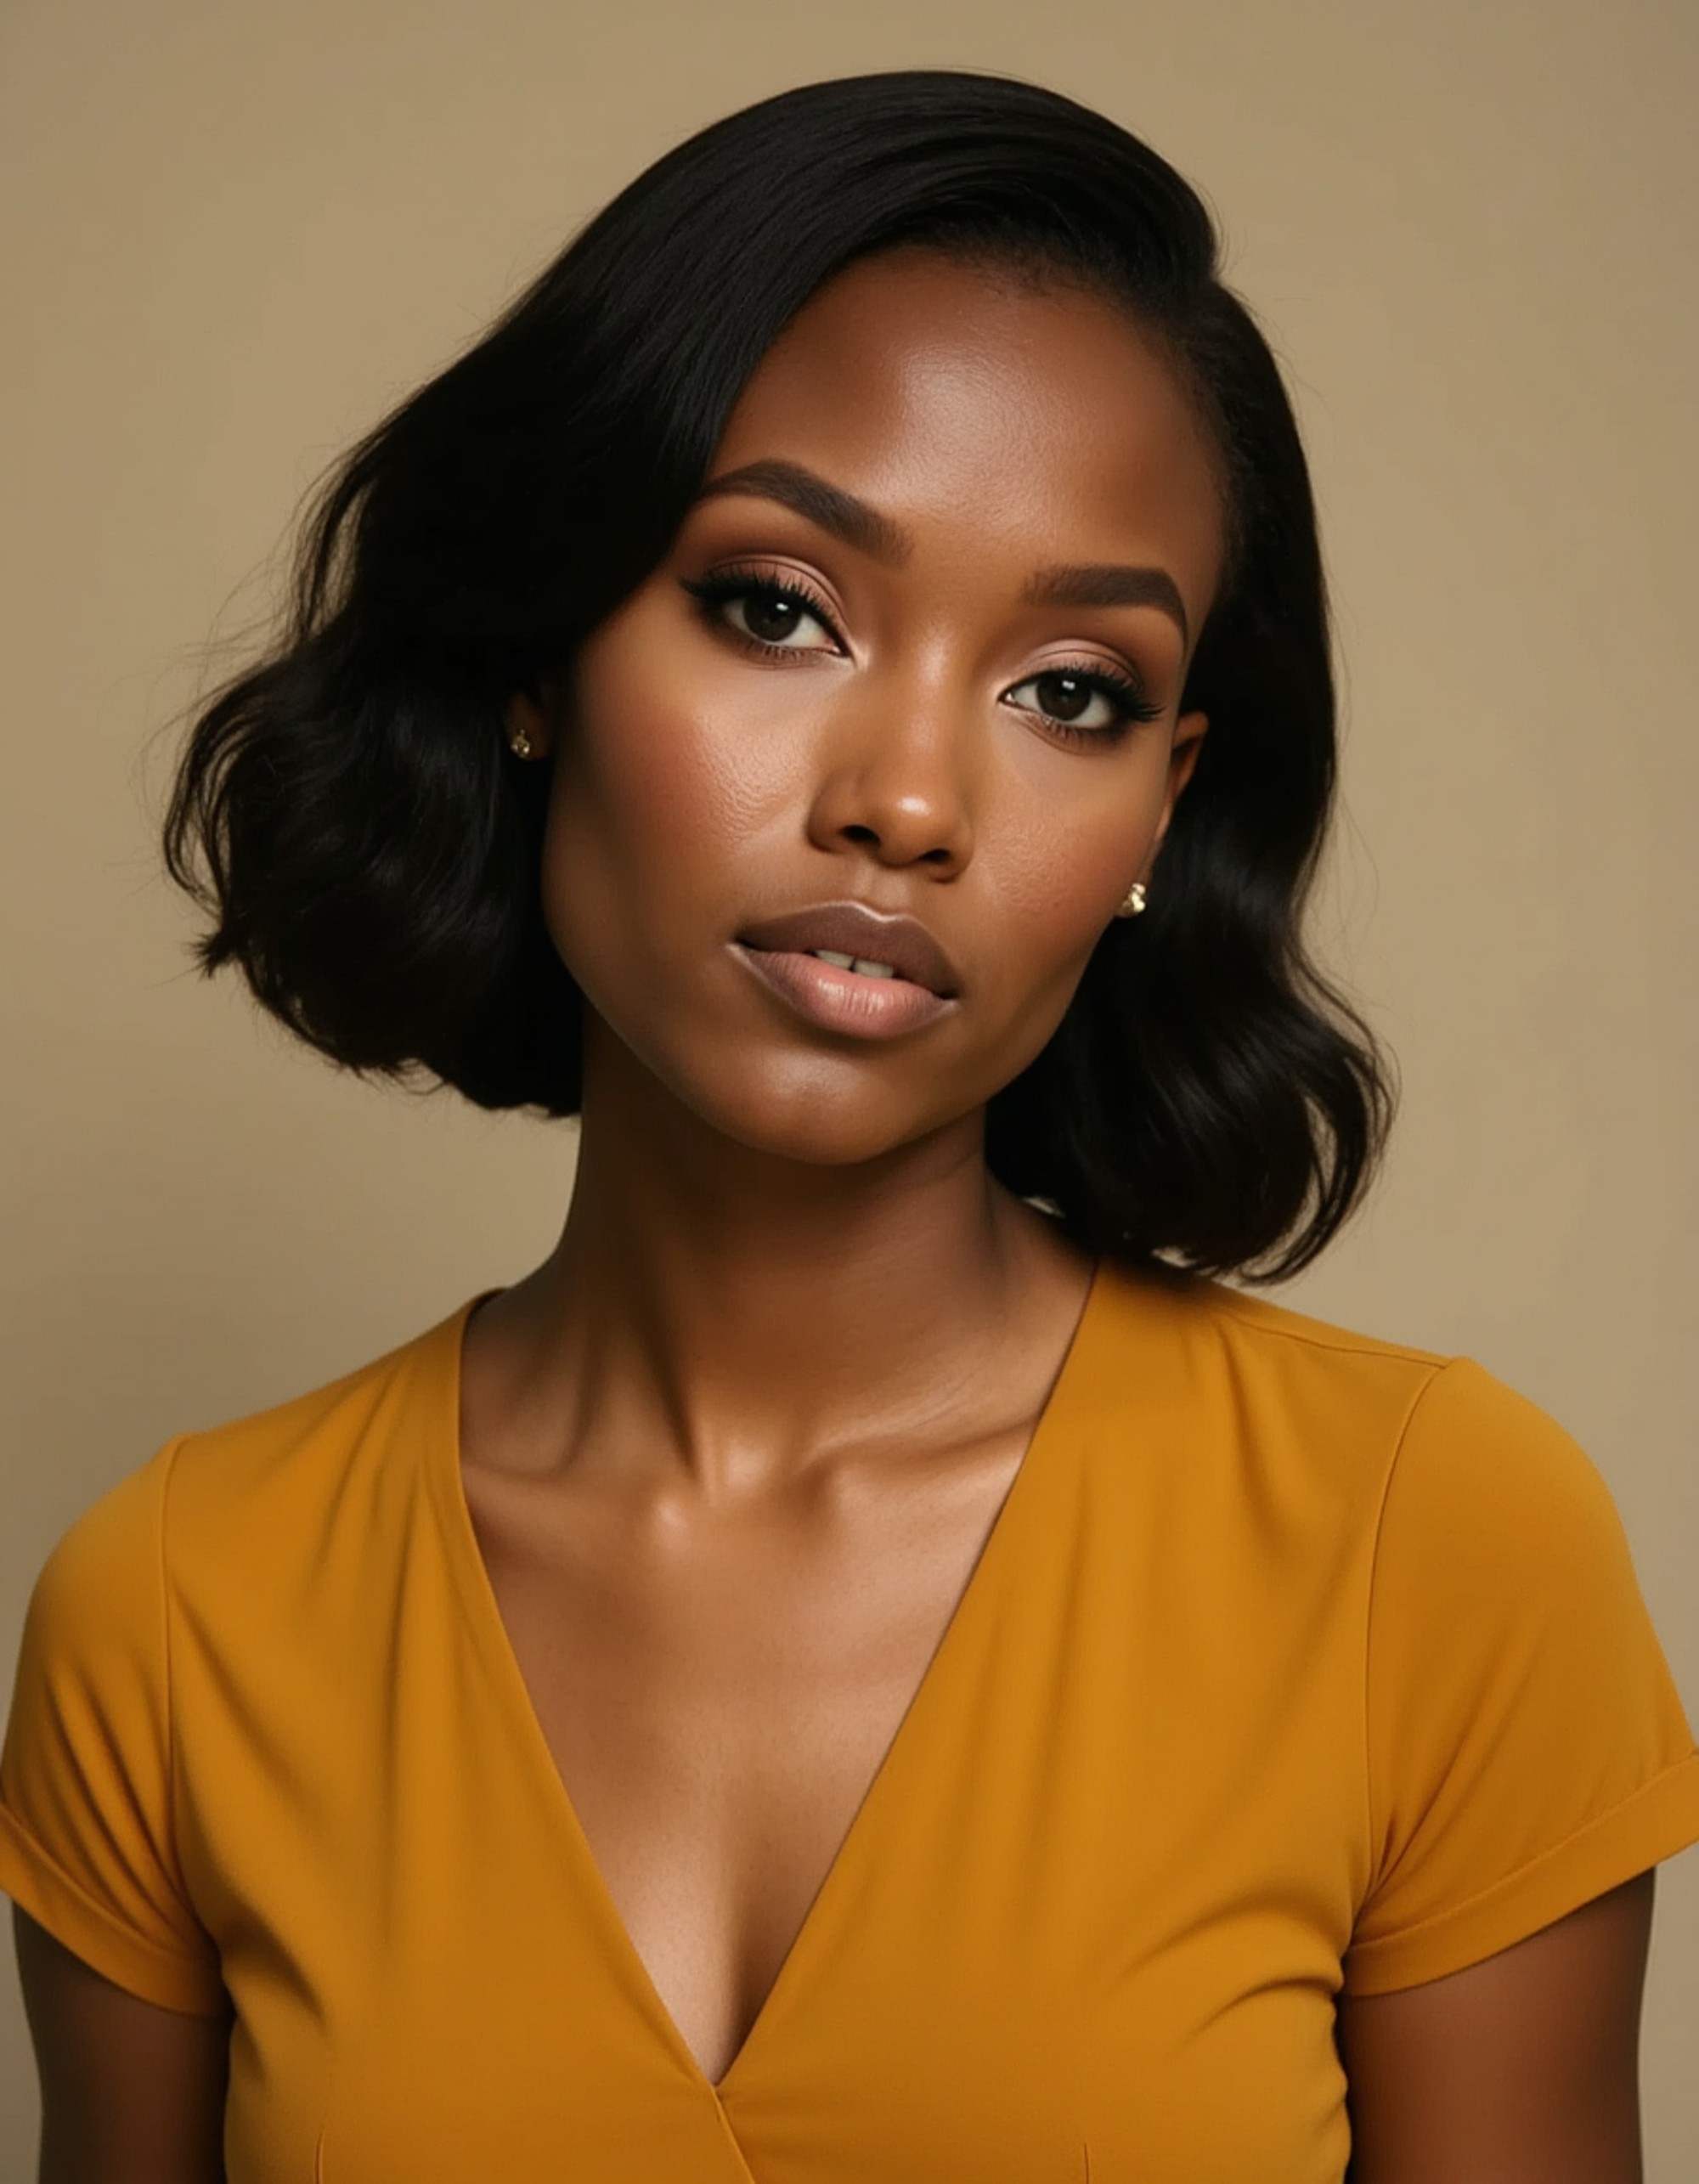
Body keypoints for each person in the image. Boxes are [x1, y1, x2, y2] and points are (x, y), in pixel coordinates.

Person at [3, 68, 1696, 2184]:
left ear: (1167, 799)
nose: (906, 800)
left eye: (1069, 686)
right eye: (776, 603)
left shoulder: (1429, 1550)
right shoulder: (175, 1614)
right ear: (538, 649)